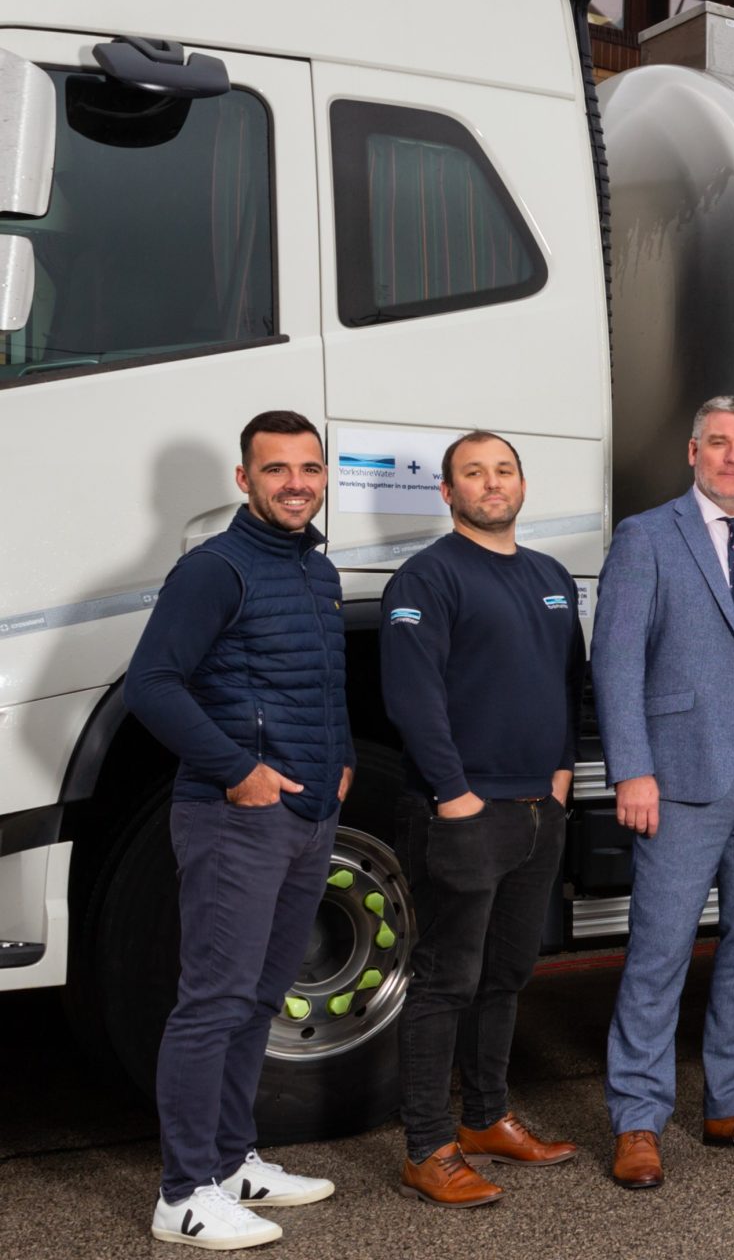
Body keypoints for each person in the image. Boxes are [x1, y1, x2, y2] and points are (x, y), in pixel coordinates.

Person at [127, 410, 349, 1251]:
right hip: (234, 818)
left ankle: (230, 1161)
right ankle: (182, 1195)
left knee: (258, 998)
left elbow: (312, 682)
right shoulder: (215, 569)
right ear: (244, 480)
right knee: (211, 1004)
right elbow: (152, 683)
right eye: (277, 468)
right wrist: (237, 771)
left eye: (309, 467)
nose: (296, 482)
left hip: (306, 816)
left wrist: (336, 764)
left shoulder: (315, 570)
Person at [596, 397, 734, 1190]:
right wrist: (632, 769)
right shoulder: (648, 535)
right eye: (717, 444)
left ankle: (733, 1100)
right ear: (692, 451)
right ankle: (638, 1119)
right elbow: (615, 660)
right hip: (680, 773)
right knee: (659, 952)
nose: (732, 458)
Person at [380, 431, 584, 1206]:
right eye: (474, 474)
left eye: (503, 471)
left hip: (540, 809)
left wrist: (560, 782)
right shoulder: (427, 577)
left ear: (522, 485)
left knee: (507, 973)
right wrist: (456, 796)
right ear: (448, 492)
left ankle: (488, 1118)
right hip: (462, 812)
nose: (491, 484)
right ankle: (427, 1148)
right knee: (445, 979)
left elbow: (568, 686)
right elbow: (412, 699)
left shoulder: (549, 575)